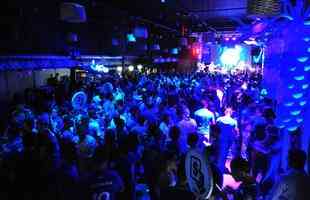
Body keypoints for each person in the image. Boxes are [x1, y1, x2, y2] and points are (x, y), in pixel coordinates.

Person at [216, 107, 239, 173]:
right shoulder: (234, 121)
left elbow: (215, 128)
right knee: (224, 154)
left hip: (219, 138)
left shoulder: (219, 119)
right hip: (228, 140)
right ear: (231, 113)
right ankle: (221, 169)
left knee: (218, 153)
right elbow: (236, 132)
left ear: (225, 112)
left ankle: (218, 168)